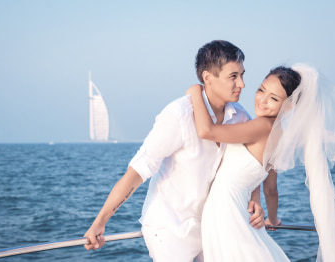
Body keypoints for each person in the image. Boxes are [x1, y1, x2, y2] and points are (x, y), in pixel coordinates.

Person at [83, 40, 265, 262]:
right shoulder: (178, 115)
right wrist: (100, 221)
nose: (242, 84)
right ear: (208, 78)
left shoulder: (240, 116)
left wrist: (255, 198)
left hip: (211, 228)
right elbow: (137, 172)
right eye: (233, 76)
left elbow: (249, 164)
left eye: (242, 75)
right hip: (168, 228)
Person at [187, 63, 335, 261]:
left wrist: (195, 92)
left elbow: (207, 131)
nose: (263, 100)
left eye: (274, 98)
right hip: (236, 211)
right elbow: (271, 189)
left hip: (225, 213)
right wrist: (272, 217)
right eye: (261, 90)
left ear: (289, 106)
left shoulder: (262, 126)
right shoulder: (279, 135)